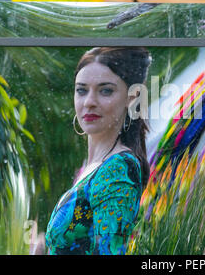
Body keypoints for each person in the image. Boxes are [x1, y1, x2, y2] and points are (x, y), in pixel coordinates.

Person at [45, 47, 151, 255]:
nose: (89, 102)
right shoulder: (96, 166)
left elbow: (109, 251)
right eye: (82, 90)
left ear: (132, 98)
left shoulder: (118, 168)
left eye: (105, 90)